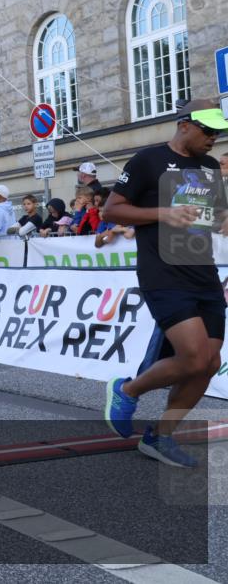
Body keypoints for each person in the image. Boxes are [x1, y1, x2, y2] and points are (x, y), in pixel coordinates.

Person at [101, 99, 228, 467]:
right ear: (184, 125)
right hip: (163, 272)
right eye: (208, 130)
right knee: (191, 357)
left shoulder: (207, 166)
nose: (214, 138)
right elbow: (111, 210)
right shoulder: (147, 160)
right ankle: (127, 389)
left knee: (208, 363)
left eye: (218, 131)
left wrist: (221, 219)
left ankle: (160, 437)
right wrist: (163, 213)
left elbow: (210, 215)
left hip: (202, 271)